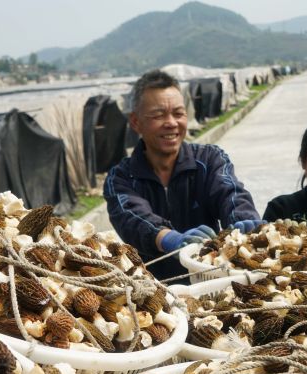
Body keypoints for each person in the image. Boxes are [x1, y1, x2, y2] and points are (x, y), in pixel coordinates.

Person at [104, 70, 261, 281]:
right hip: (153, 290)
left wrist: (245, 221)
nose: (171, 123)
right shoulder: (120, 177)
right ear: (135, 122)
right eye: (159, 115)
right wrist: (170, 239)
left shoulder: (209, 159)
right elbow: (132, 217)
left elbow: (230, 192)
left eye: (178, 113)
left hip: (210, 278)